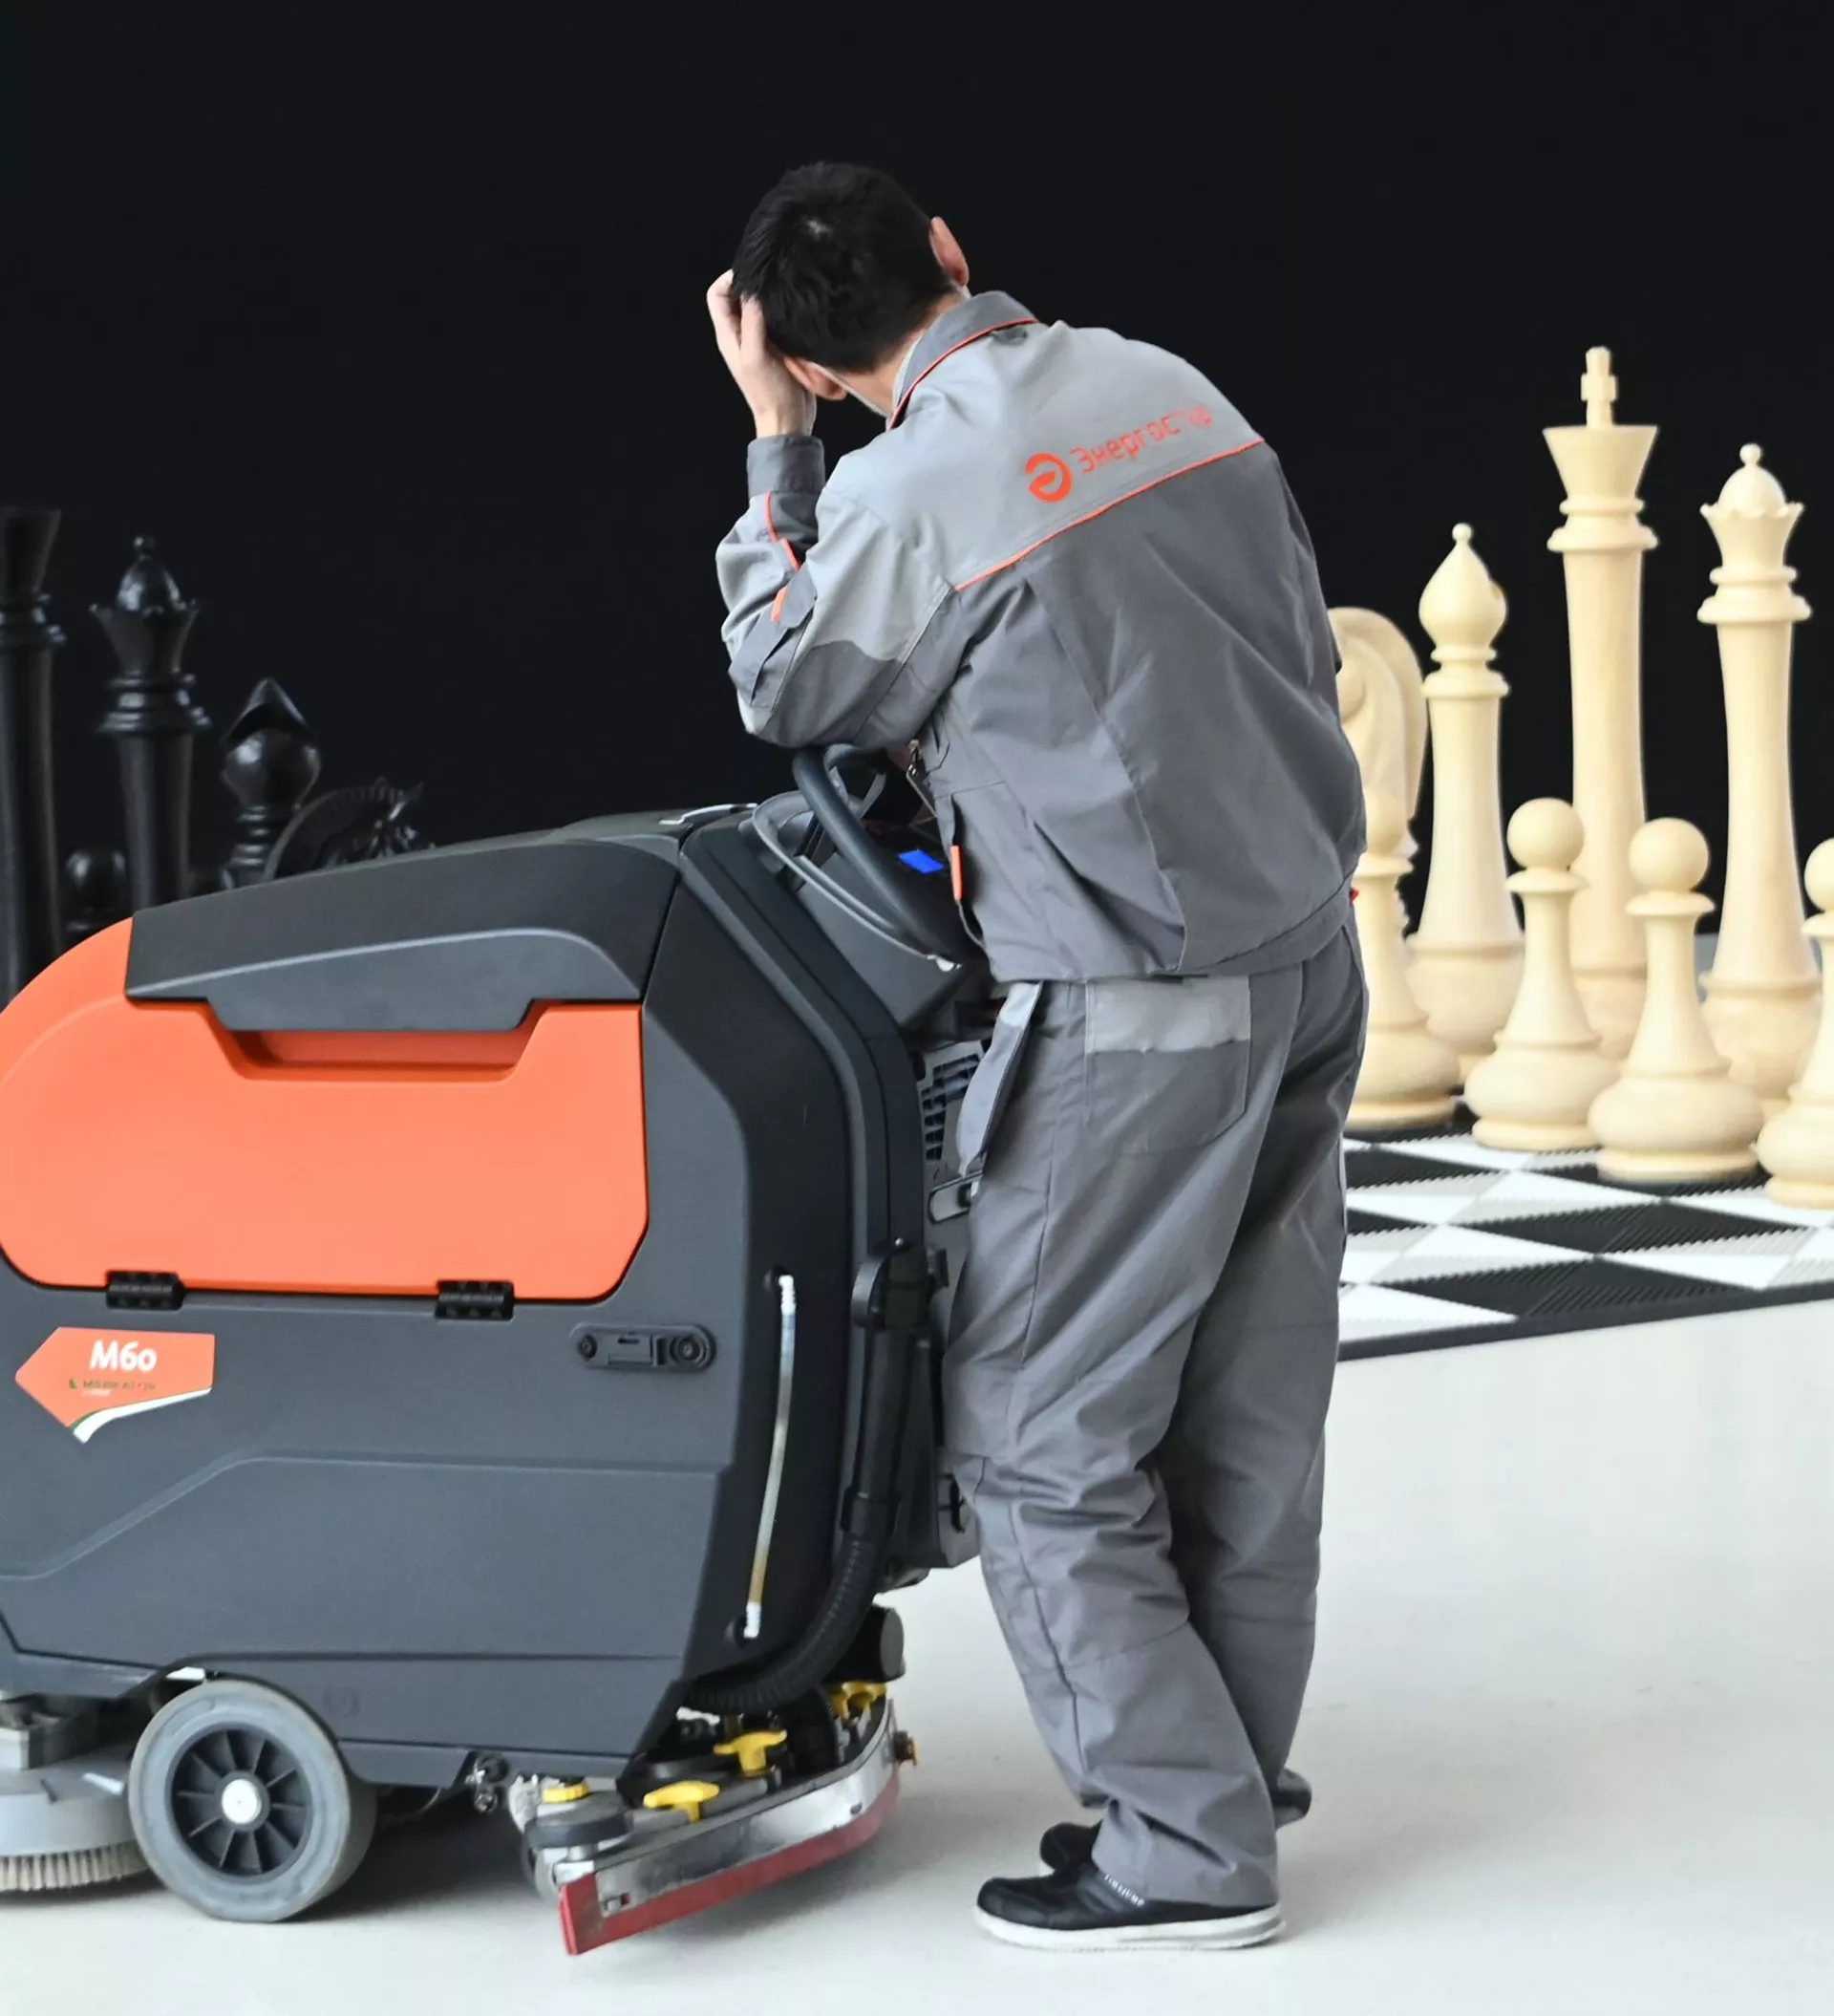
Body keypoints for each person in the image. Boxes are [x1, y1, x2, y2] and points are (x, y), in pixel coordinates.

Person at [709, 161, 1368, 1954]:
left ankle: (1180, 1849)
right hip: (1311, 959)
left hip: (1139, 1007)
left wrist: (778, 452)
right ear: (947, 251)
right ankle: (1227, 1765)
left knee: (1036, 1436)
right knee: (1246, 1406)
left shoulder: (902, 491)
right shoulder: (1171, 385)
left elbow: (788, 684)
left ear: (802, 356)